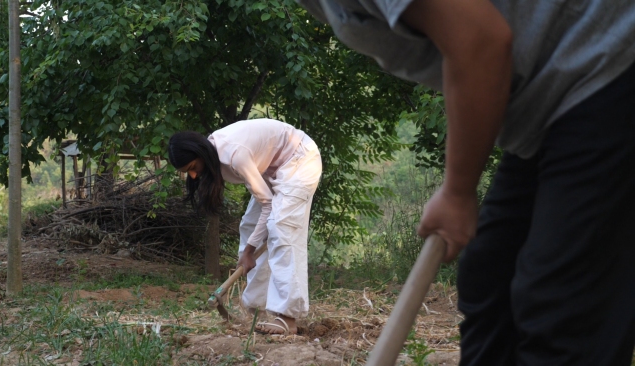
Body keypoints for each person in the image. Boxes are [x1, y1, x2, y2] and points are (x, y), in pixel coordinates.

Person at [298, 0, 635, 364]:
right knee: (490, 280)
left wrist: (458, 191)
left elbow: (479, 40)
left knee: (562, 306)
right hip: (552, 104)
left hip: (611, 62)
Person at [167, 119, 322, 335]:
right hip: (272, 169)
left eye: (192, 167)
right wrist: (250, 246)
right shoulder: (217, 155)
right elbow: (264, 201)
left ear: (201, 153)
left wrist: (249, 252)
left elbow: (267, 205)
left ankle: (286, 317)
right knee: (251, 227)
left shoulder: (233, 155)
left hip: (299, 160)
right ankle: (256, 308)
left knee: (282, 228)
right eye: (187, 172)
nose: (193, 176)